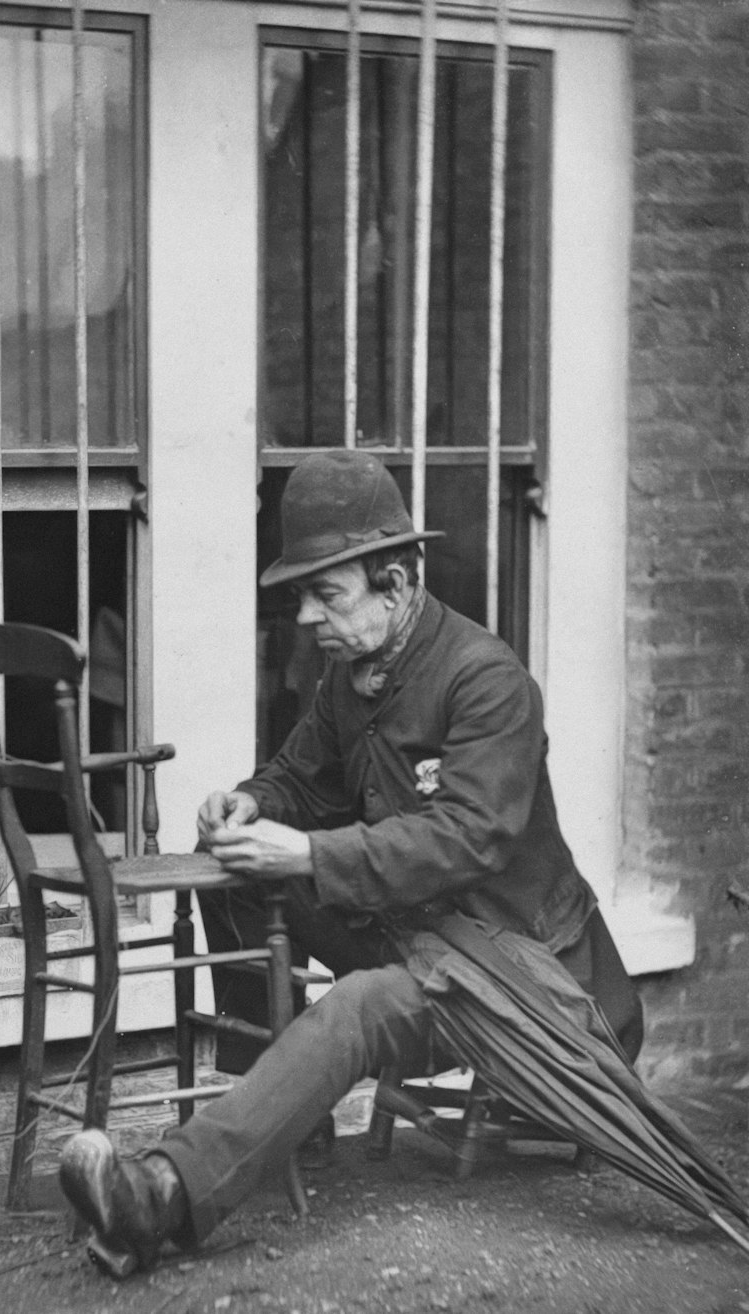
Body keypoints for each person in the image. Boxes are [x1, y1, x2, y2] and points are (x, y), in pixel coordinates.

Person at [58, 450, 644, 1277]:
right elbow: (301, 775)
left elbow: (468, 838)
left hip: (522, 980)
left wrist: (303, 850)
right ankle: (281, 1126)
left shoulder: (489, 681)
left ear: (398, 585)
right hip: (424, 945)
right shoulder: (348, 672)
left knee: (362, 1006)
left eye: (325, 594)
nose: (305, 618)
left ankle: (161, 1196)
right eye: (303, 595)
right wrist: (252, 805)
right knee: (228, 868)